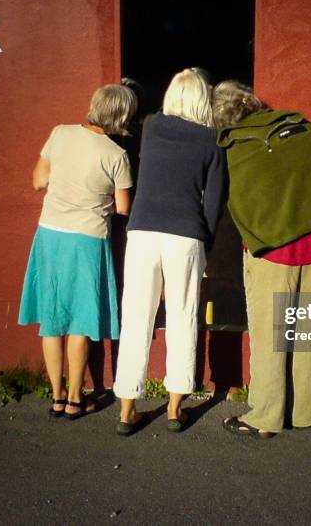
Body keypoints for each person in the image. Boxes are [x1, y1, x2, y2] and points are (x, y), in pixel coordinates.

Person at [212, 80, 311, 438]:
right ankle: (305, 412)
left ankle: (266, 417)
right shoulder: (301, 130)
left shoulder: (236, 144)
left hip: (271, 251)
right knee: (308, 332)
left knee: (270, 335)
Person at [113, 68, 227, 435]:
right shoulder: (213, 140)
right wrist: (204, 242)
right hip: (186, 236)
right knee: (183, 315)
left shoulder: (152, 127)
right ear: (202, 100)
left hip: (143, 231)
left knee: (136, 317)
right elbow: (214, 202)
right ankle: (176, 408)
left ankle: (127, 409)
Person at [18, 84, 137, 419]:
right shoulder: (117, 155)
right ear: (123, 117)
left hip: (50, 234)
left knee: (52, 321)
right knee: (82, 321)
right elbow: (123, 208)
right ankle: (75, 399)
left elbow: (38, 181)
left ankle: (56, 397)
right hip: (88, 239)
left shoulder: (60, 133)